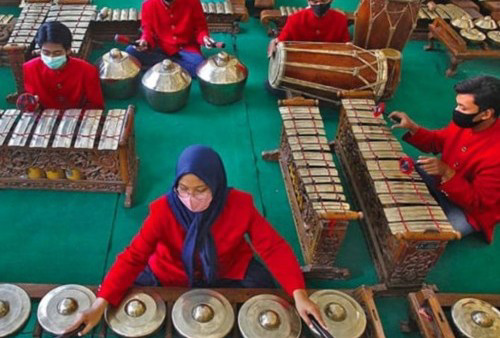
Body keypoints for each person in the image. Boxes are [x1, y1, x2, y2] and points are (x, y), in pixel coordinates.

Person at [66, 145, 326, 336]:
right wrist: (101, 303)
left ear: (217, 183)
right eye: (184, 189)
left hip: (227, 268)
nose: (191, 198)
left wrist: (299, 293)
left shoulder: (239, 205)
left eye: (201, 190)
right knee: (124, 292)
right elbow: (134, 255)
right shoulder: (163, 211)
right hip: (171, 272)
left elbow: (273, 247)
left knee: (266, 289)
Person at [390, 76, 500, 242]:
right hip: (440, 180)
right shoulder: (467, 122)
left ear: (486, 114)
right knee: (397, 165)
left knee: (429, 239)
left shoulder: (496, 156)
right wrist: (413, 127)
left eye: (463, 108)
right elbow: (438, 141)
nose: (456, 110)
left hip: (468, 210)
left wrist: (448, 173)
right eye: (457, 104)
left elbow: (478, 202)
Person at [22, 21, 104, 110]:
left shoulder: (88, 70)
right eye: (46, 52)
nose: (51, 57)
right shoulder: (29, 69)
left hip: (78, 119)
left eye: (57, 53)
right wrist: (33, 107)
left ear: (68, 50)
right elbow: (28, 103)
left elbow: (96, 106)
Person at [125, 0, 217, 77]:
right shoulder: (148, 4)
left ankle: (160, 66)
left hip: (186, 49)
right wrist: (144, 41)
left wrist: (204, 38)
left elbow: (201, 28)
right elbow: (147, 31)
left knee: (199, 65)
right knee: (131, 52)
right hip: (160, 48)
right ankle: (175, 67)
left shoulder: (193, 2)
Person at [267, 0, 350, 57]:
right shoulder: (295, 19)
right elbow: (281, 42)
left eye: (323, 0)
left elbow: (346, 46)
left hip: (331, 67)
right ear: (308, 1)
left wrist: (349, 47)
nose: (319, 4)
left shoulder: (340, 19)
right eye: (314, 1)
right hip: (299, 67)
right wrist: (274, 43)